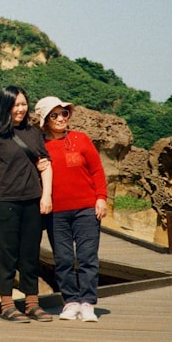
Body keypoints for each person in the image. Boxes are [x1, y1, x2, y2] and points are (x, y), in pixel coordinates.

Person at [0, 85, 53, 323]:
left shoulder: (33, 134)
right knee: (6, 253)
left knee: (30, 253)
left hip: (31, 200)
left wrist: (45, 195)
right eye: (15, 105)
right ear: (5, 106)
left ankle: (32, 303)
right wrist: (5, 177)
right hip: (5, 201)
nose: (20, 109)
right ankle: (7, 303)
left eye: (23, 104)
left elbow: (44, 162)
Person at [36, 96, 108, 323]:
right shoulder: (39, 144)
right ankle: (70, 302)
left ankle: (87, 303)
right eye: (54, 115)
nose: (60, 119)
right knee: (64, 259)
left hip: (86, 209)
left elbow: (97, 171)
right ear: (45, 120)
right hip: (56, 212)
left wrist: (101, 198)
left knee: (87, 258)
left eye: (64, 113)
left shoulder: (82, 139)